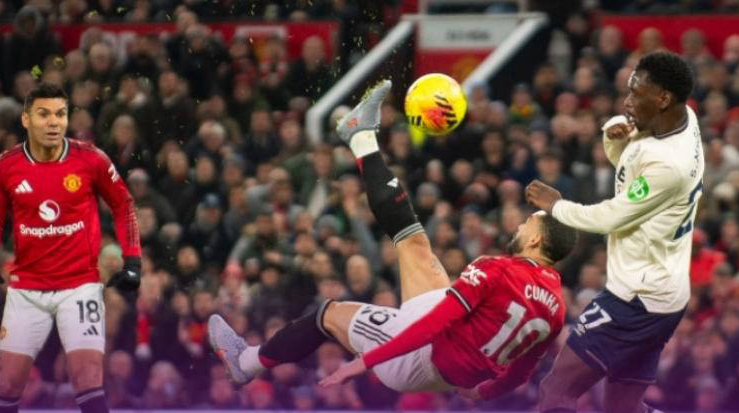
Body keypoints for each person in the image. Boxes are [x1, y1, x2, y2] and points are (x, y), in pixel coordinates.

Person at [209, 80, 578, 400]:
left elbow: (434, 324)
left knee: (328, 315)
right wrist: (481, 393)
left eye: (529, 223)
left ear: (536, 241)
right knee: (415, 244)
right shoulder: (556, 310)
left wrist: (364, 362)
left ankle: (246, 362)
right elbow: (521, 374)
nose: (520, 225)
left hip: (418, 358)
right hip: (452, 370)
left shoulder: (497, 270)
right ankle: (361, 136)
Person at [525, 52, 702, 413]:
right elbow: (631, 171)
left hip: (635, 299)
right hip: (664, 295)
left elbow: (609, 218)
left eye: (636, 93)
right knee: (622, 408)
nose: (627, 102)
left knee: (555, 392)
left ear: (663, 98)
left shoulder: (669, 165)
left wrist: (556, 205)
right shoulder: (683, 119)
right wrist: (617, 135)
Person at [0, 83, 142, 413]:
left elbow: (124, 205)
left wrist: (133, 260)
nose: (53, 122)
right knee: (7, 384)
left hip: (80, 286)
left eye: (60, 114)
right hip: (27, 288)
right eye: (44, 114)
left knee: (88, 378)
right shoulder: (6, 165)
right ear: (26, 119)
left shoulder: (90, 159)